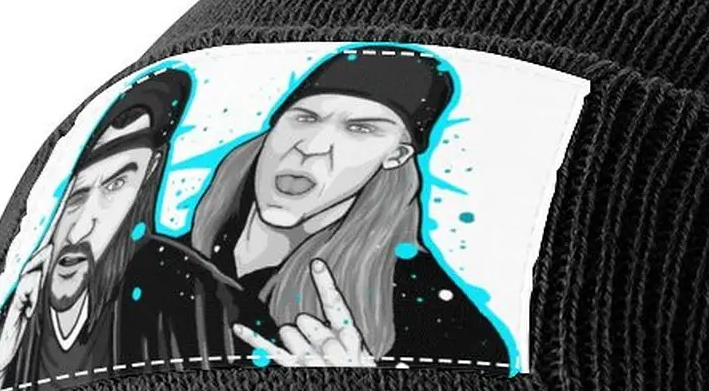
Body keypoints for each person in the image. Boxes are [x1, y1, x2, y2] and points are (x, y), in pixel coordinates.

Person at [186, 44, 508, 371]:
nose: (312, 147)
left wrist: (362, 388)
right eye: (305, 118)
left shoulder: (426, 307)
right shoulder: (167, 259)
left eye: (360, 129)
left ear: (396, 156)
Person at [0, 68, 272, 391]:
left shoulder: (198, 299)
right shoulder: (21, 323)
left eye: (115, 186)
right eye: (76, 197)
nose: (79, 229)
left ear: (149, 176)